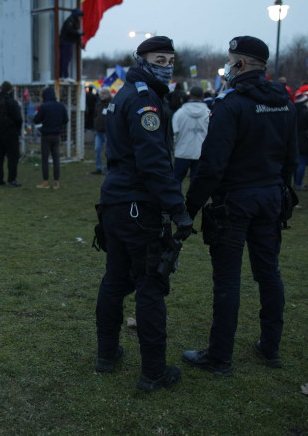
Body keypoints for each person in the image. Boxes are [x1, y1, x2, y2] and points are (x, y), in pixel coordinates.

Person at [183, 36, 297, 376]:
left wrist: (188, 208)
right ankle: (270, 346)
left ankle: (219, 356)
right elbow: (292, 156)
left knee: (228, 282)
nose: (226, 69)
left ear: (240, 65)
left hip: (235, 202)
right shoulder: (283, 101)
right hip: (270, 197)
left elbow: (211, 165)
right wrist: (282, 191)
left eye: (228, 62)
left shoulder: (232, 104)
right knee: (269, 274)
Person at [95, 36, 193, 392]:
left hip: (116, 202)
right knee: (149, 288)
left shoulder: (127, 91)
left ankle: (107, 354)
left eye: (170, 59)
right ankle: (153, 371)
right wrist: (177, 209)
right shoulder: (145, 98)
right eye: (158, 58)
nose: (165, 65)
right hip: (137, 206)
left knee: (115, 281)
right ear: (142, 59)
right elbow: (152, 162)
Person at [171, 86, 210, 184]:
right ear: (202, 96)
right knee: (197, 183)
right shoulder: (208, 113)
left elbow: (174, 134)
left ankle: (176, 199)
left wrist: (175, 147)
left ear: (190, 96)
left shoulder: (180, 113)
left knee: (176, 181)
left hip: (182, 152)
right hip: (200, 153)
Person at [0, 81, 23, 187]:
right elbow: (18, 118)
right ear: (10, 90)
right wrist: (17, 130)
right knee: (12, 157)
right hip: (10, 133)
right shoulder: (11, 102)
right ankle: (11, 179)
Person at [33, 86, 69, 189]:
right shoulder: (61, 106)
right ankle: (56, 182)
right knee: (56, 159)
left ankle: (45, 181)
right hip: (57, 135)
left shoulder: (44, 106)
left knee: (45, 159)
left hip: (46, 135)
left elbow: (36, 120)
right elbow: (66, 120)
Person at [293, 93, 308, 190]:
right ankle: (298, 183)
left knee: (294, 162)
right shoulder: (305, 111)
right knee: (302, 162)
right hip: (304, 138)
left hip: (292, 138)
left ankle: (293, 182)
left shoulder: (292, 110)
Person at [92, 87, 112, 174]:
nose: (101, 95)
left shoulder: (111, 104)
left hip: (107, 132)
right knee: (97, 149)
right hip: (98, 131)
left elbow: (113, 117)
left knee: (108, 151)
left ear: (108, 94)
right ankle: (98, 168)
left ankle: (108, 168)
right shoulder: (98, 104)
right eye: (101, 93)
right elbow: (95, 115)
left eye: (104, 93)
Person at [59, 8, 83, 79]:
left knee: (64, 59)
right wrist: (77, 32)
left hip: (66, 42)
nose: (80, 18)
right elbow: (69, 30)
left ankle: (62, 75)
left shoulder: (72, 21)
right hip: (66, 42)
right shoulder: (70, 21)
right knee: (65, 59)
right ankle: (64, 75)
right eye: (79, 16)